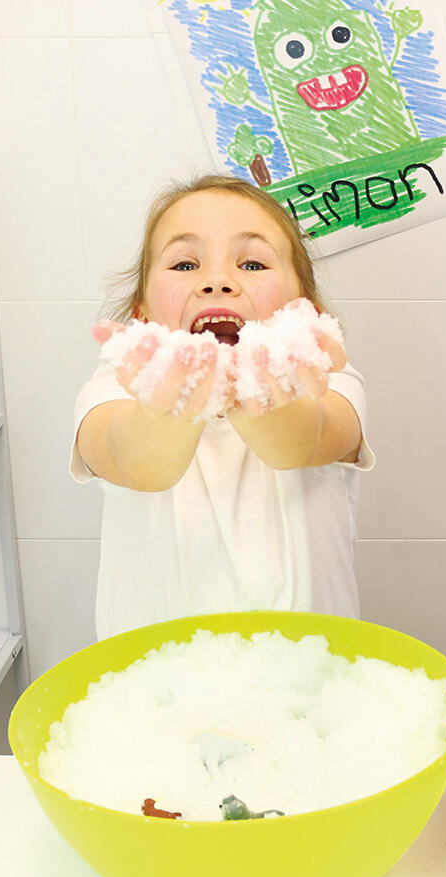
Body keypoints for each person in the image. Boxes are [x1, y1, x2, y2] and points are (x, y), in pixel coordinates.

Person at [72, 175, 373, 639]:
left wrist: (254, 389)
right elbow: (134, 462)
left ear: (303, 309)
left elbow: (302, 443)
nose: (217, 281)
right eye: (185, 264)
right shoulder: (116, 388)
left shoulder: (327, 382)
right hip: (154, 686)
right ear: (142, 315)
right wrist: (168, 400)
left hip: (311, 685)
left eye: (252, 264)